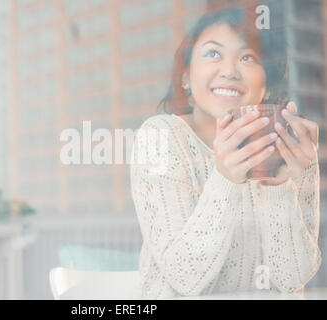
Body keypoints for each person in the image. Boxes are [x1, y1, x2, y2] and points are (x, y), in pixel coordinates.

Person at [129, 5, 321, 299]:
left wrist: (280, 186)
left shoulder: (291, 147)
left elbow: (291, 280)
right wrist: (225, 179)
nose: (230, 71)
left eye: (247, 57)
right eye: (213, 53)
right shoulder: (160, 139)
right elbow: (186, 280)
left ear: (266, 82)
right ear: (185, 77)